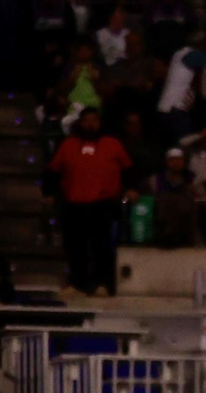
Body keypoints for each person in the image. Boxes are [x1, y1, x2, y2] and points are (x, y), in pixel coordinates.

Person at [47, 107, 130, 296]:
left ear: (100, 123)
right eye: (87, 120)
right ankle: (78, 284)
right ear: (80, 123)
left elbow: (128, 170)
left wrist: (130, 189)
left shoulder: (113, 144)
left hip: (104, 205)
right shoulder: (68, 145)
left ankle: (103, 284)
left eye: (94, 120)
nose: (90, 124)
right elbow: (53, 171)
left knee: (103, 247)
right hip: (74, 205)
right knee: (76, 247)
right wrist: (49, 193)